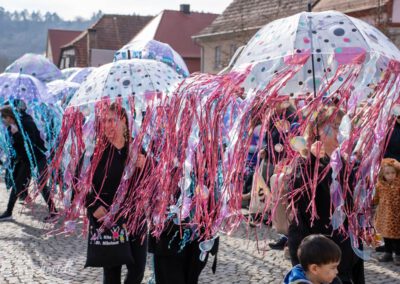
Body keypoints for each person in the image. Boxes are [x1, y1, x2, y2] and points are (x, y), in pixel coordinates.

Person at [287, 106, 365, 284]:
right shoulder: (304, 162)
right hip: (318, 254)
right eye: (336, 126)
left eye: (343, 125)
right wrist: (313, 161)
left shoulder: (344, 161)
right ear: (317, 130)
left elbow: (350, 204)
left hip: (344, 252)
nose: (342, 131)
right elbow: (297, 196)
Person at [85, 103, 148, 284]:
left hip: (135, 218)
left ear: (124, 122)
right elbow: (79, 184)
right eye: (104, 121)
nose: (107, 125)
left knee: (137, 270)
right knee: (112, 275)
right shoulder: (96, 152)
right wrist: (92, 206)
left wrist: (146, 165)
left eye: (112, 120)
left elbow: (152, 179)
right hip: (108, 218)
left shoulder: (136, 147)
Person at [0, 103, 56, 221]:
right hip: (25, 160)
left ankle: (54, 212)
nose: (2, 121)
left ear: (9, 117)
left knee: (41, 183)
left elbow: (32, 142)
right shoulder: (11, 128)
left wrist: (18, 134)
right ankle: (8, 212)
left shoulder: (26, 121)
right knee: (17, 183)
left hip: (39, 157)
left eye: (3, 118)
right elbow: (18, 148)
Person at [373, 158, 400, 265]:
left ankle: (398, 254)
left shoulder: (398, 184)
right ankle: (388, 252)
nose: (390, 175)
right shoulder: (380, 185)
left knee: (397, 236)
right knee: (386, 235)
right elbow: (376, 198)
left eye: (393, 173)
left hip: (396, 215)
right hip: (384, 214)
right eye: (387, 173)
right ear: (383, 174)